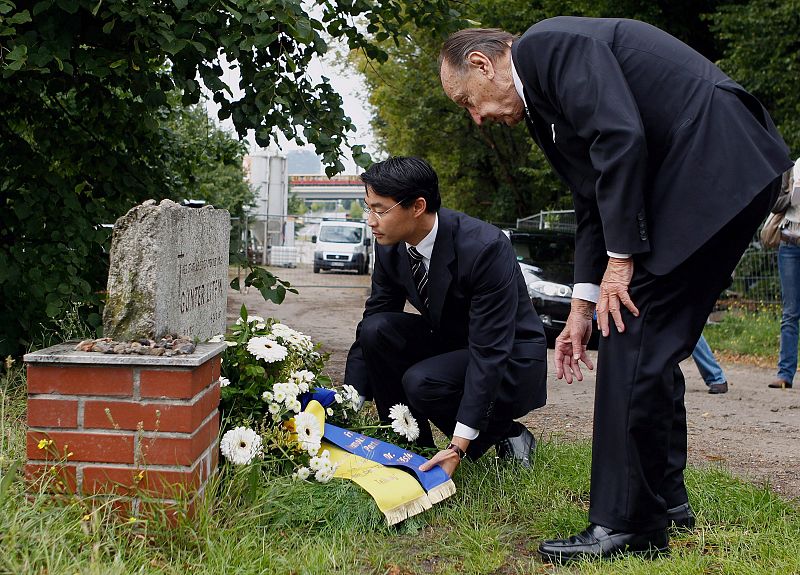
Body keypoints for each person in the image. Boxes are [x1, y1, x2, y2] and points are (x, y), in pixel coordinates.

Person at [439, 17, 791, 562]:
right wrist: (581, 304)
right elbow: (592, 195)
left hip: (713, 156)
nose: (476, 117)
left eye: (467, 101)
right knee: (643, 338)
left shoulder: (545, 48)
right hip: (721, 165)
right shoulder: (542, 106)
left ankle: (628, 523)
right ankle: (665, 503)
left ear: (484, 64)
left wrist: (621, 261)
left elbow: (620, 136)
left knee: (630, 332)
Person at [344, 156, 548, 478]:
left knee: (421, 381)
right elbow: (375, 318)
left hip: (508, 353)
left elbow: (489, 351)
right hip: (453, 340)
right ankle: (409, 449)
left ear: (417, 206)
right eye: (367, 207)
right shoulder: (389, 246)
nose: (370, 220)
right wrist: (348, 402)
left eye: (379, 209)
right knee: (376, 330)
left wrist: (457, 447)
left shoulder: (485, 248)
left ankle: (508, 433)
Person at [771, 157, 800, 390]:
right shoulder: (792, 168)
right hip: (790, 244)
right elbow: (774, 203)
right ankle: (785, 373)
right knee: (790, 312)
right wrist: (792, 197)